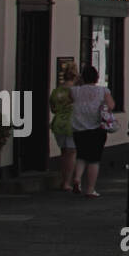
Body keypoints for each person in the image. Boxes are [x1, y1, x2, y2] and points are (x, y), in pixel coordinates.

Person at [70, 64, 115, 197]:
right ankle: (90, 189)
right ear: (97, 77)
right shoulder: (103, 91)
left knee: (81, 155)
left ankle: (77, 178)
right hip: (96, 127)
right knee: (94, 159)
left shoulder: (75, 91)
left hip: (78, 128)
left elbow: (70, 101)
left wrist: (78, 83)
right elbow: (111, 105)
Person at [49, 63, 80, 191]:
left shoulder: (57, 91)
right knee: (72, 153)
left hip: (59, 123)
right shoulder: (76, 91)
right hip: (72, 124)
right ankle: (67, 182)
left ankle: (64, 179)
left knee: (63, 152)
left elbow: (53, 109)